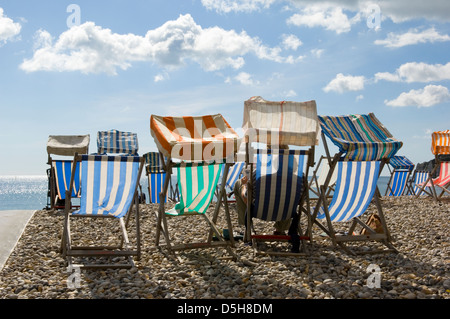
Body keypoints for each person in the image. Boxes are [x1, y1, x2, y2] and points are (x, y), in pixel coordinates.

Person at [233, 144, 291, 235]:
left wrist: (244, 186)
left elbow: (246, 199)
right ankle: (280, 228)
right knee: (289, 201)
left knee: (238, 183)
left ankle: (248, 227)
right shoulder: (298, 177)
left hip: (261, 210)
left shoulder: (258, 175)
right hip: (285, 212)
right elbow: (299, 200)